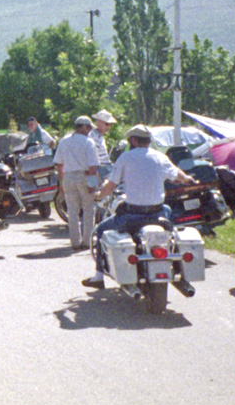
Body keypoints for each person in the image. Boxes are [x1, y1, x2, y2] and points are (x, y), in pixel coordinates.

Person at [81, 124, 194, 289]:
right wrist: (187, 179)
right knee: (169, 218)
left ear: (133, 140)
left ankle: (98, 276)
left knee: (100, 230)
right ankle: (178, 266)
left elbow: (110, 186)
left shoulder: (126, 158)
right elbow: (178, 174)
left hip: (133, 216)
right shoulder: (160, 157)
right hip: (158, 214)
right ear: (148, 141)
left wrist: (98, 195)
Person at [54, 116, 101, 250]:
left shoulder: (64, 141)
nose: (90, 130)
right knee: (88, 209)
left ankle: (74, 242)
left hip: (68, 176)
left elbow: (60, 164)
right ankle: (86, 241)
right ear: (84, 127)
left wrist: (61, 183)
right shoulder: (88, 142)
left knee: (72, 210)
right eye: (89, 127)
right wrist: (92, 183)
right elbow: (93, 166)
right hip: (83, 175)